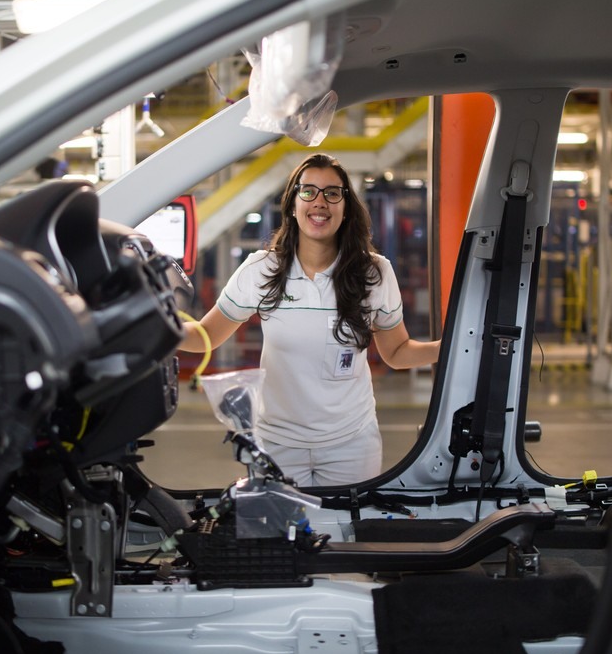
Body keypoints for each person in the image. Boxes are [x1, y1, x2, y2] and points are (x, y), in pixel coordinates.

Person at [178, 153, 440, 487]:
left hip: (351, 443)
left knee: (344, 539)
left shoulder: (374, 272)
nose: (320, 202)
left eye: (332, 193)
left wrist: (451, 348)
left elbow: (397, 351)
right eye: (308, 192)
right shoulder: (262, 269)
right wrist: (158, 330)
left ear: (345, 207)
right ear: (292, 203)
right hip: (276, 444)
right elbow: (206, 335)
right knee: (280, 539)